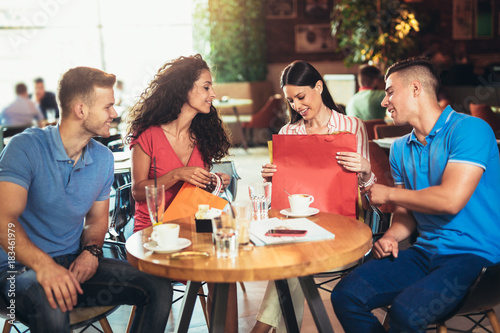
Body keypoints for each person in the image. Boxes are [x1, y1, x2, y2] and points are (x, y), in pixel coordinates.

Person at [331, 57, 500, 332]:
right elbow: (406, 214)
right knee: (345, 295)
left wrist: (389, 194)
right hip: (425, 252)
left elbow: (450, 200)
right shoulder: (400, 148)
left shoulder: (470, 130)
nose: (384, 101)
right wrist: (391, 236)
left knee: (405, 313)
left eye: (389, 91)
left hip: (476, 258)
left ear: (416, 89)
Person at [0, 66, 173, 333]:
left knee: (157, 285)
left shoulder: (102, 159)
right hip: (16, 272)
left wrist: (91, 252)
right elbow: (4, 219)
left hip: (71, 264)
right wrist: (44, 266)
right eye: (108, 107)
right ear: (81, 110)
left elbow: (96, 222)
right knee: (51, 300)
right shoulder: (25, 147)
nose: (114, 114)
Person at [252, 60, 374, 333]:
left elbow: (369, 197)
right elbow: (279, 202)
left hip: (341, 231)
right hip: (297, 229)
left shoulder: (352, 127)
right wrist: (270, 178)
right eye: (290, 100)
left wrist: (365, 171)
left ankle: (259, 330)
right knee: (294, 256)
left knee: (292, 261)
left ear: (318, 86)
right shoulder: (288, 133)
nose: (296, 105)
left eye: (301, 96)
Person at [125, 54, 237, 330]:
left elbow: (195, 190)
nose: (213, 94)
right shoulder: (148, 135)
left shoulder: (203, 136)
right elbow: (138, 192)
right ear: (184, 88)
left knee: (226, 274)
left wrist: (213, 181)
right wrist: (176, 175)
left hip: (193, 227)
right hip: (155, 231)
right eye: (206, 87)